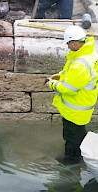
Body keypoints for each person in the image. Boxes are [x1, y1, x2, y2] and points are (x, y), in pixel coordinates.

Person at [45, 25, 98, 164]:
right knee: (79, 134)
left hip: (75, 108)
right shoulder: (89, 55)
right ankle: (82, 156)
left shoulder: (80, 64)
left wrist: (51, 84)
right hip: (83, 104)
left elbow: (69, 88)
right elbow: (74, 76)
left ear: (74, 43)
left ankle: (70, 165)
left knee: (71, 137)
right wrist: (60, 75)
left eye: (68, 44)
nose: (68, 47)